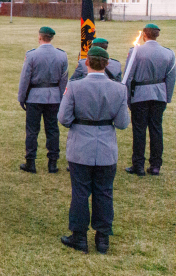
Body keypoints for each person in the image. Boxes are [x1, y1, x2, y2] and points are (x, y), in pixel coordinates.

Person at [57, 46, 130, 254]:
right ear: (107, 65)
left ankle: (79, 237)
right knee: (104, 192)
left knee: (80, 193)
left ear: (86, 63)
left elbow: (63, 118)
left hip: (81, 146)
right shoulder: (119, 89)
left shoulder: (74, 87)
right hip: (106, 147)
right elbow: (123, 123)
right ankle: (102, 239)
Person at [123, 24, 176, 176]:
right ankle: (155, 166)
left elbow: (128, 77)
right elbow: (171, 78)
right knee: (156, 130)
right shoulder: (168, 53)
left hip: (140, 95)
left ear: (144, 35)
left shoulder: (136, 51)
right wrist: (167, 98)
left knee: (139, 130)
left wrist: (128, 98)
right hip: (159, 95)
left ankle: (138, 165)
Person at [17, 27, 68, 174]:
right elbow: (64, 80)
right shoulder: (61, 55)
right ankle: (52, 163)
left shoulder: (32, 55)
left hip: (34, 97)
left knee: (32, 130)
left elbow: (25, 79)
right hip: (54, 97)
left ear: (40, 37)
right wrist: (62, 98)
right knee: (52, 130)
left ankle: (30, 162)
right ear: (51, 38)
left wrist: (22, 97)